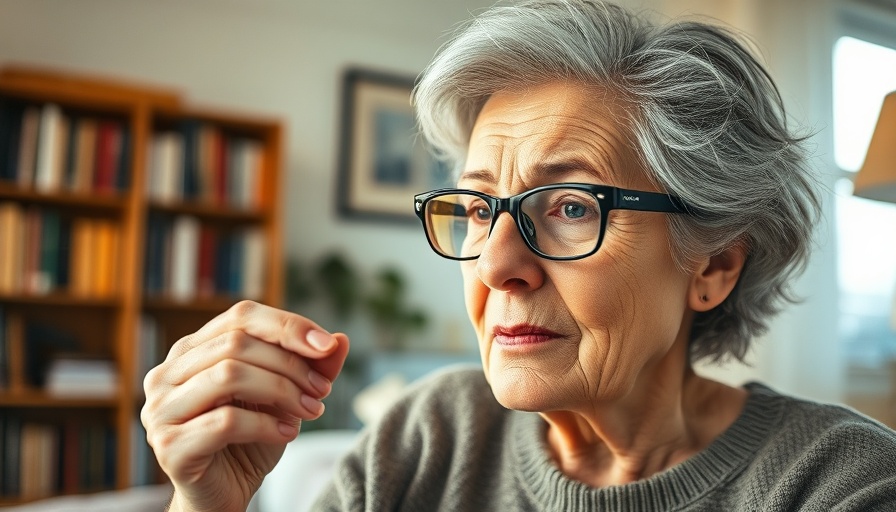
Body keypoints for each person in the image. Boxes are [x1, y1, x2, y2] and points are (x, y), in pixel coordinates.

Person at [141, 1, 896, 510]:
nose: (498, 264)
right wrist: (205, 505)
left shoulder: (839, 483)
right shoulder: (431, 436)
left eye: (571, 208)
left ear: (716, 264)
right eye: (477, 209)